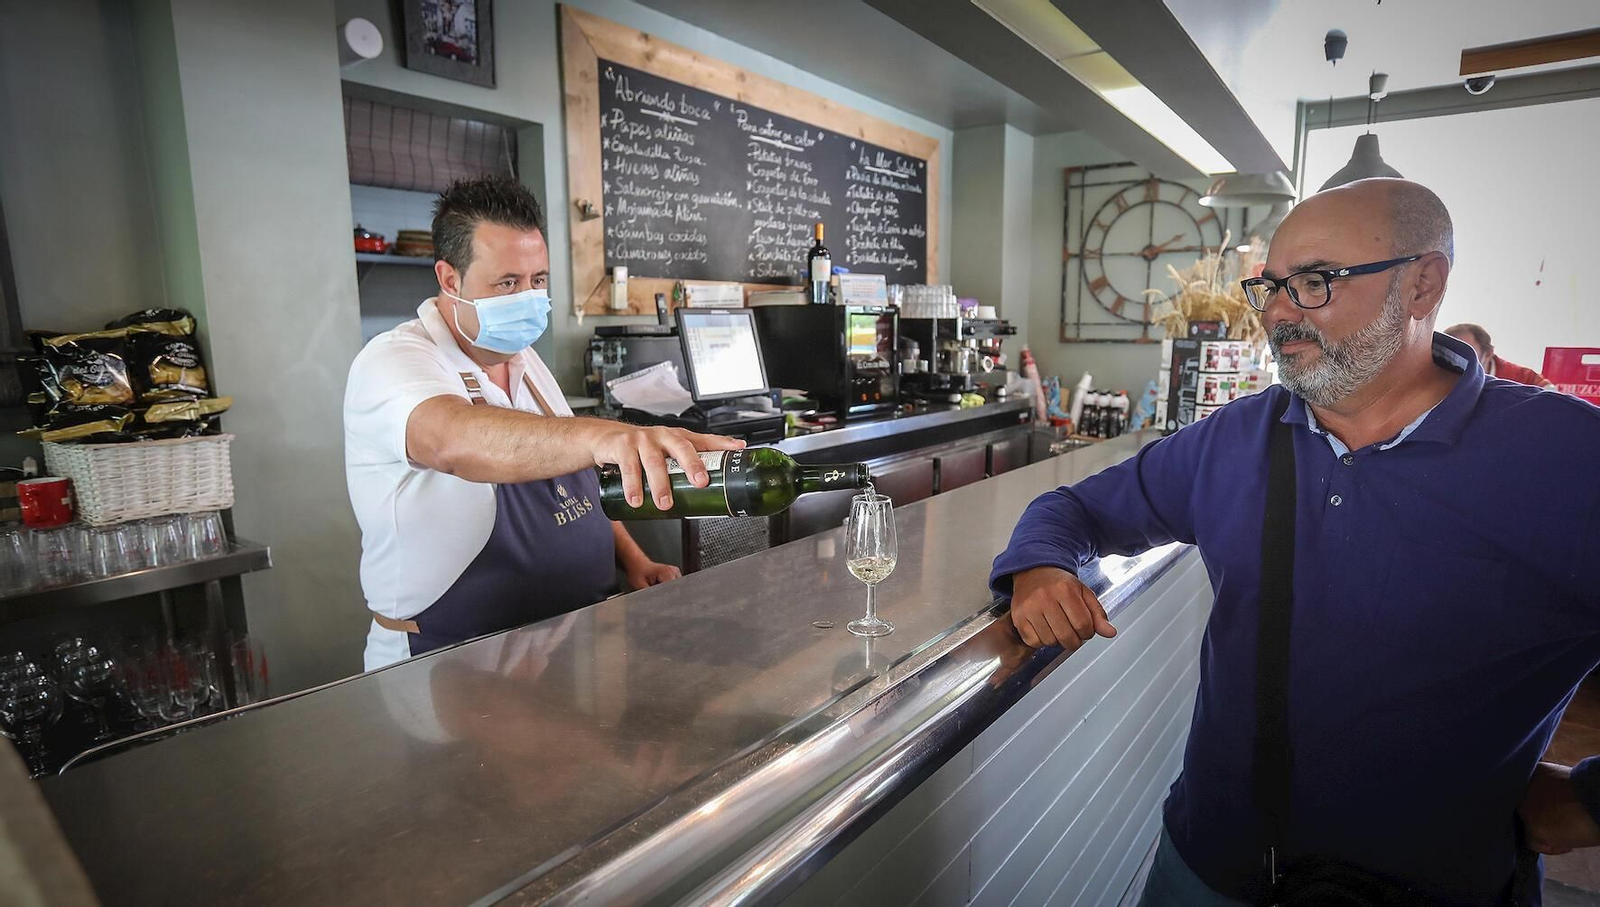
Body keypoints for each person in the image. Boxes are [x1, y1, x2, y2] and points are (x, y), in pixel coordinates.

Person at [990, 179, 1600, 905]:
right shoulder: (1238, 437)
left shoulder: (1565, 459)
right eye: (1271, 286)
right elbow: (1073, 509)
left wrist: (1587, 801)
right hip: (1209, 865)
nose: (1279, 312)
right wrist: (1039, 564)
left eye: (1315, 281)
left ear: (1423, 284)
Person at [345, 176, 742, 670]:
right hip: (449, 665)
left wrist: (633, 559)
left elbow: (569, 486)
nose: (529, 299)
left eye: (538, 281)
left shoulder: (526, 362)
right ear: (450, 280)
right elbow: (454, 440)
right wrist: (608, 434)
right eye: (507, 283)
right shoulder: (394, 360)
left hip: (562, 647)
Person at [1445, 322, 1556, 388]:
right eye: (1450, 353)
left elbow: (1552, 395)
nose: (1457, 360)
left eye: (1466, 352)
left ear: (1488, 354)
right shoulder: (1440, 375)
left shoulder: (1519, 377)